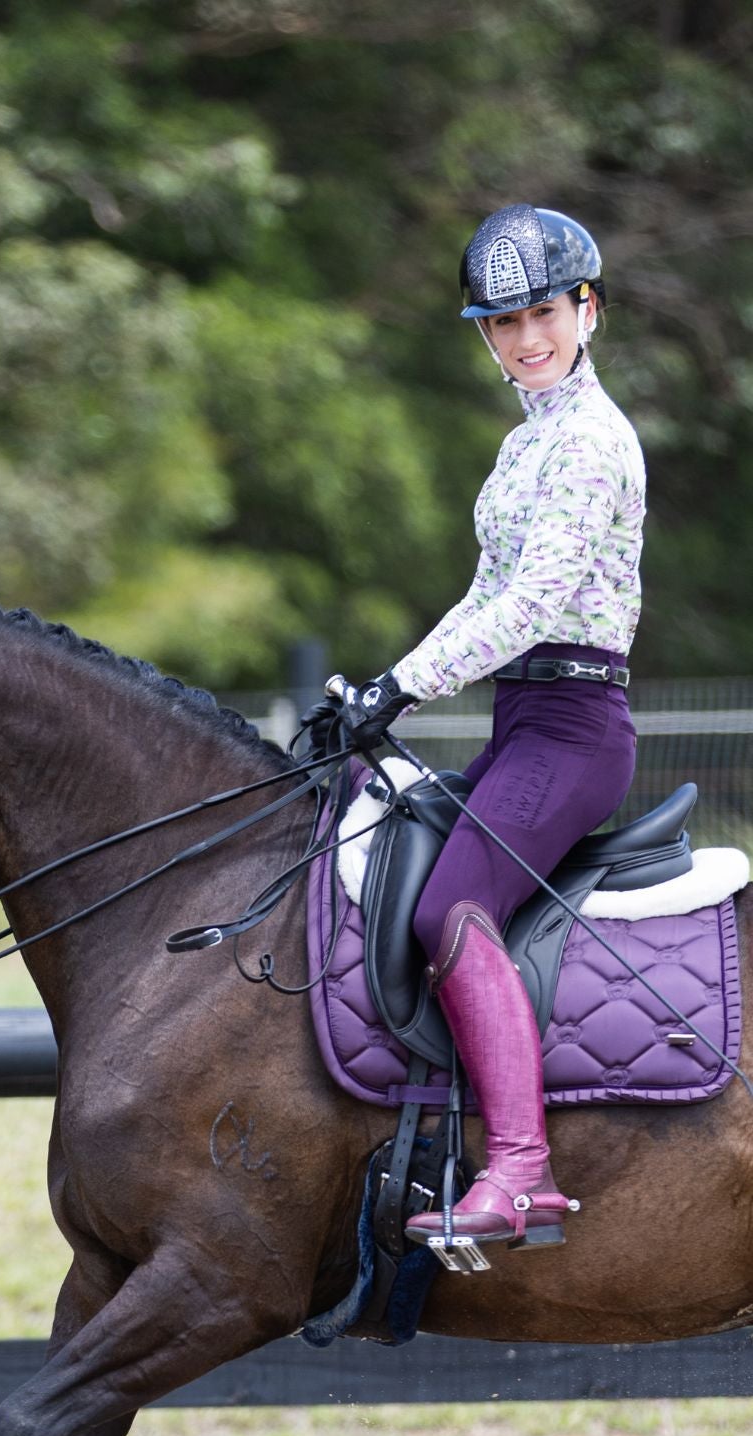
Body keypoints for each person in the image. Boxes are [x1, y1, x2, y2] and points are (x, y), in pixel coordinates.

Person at [330, 203, 644, 1253]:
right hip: (523, 720)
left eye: (544, 312)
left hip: (575, 725)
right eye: (503, 323)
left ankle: (520, 1173)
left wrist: (404, 687)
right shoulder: (524, 447)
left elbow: (540, 600)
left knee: (452, 906)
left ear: (587, 309)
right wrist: (386, 687)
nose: (526, 339)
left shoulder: (592, 442)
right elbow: (483, 598)